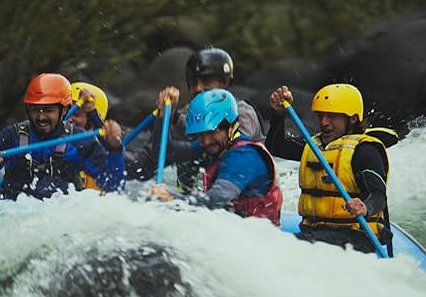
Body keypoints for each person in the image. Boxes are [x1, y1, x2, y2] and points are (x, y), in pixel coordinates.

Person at [266, 83, 398, 255]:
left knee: (289, 248)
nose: (324, 123)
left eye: (332, 116)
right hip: (316, 232)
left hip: (356, 238)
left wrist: (365, 207)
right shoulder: (315, 145)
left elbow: (379, 195)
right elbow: (276, 146)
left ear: (352, 119)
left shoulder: (365, 151)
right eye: (321, 116)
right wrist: (278, 114)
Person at [125, 48, 264, 195]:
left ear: (225, 82)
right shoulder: (181, 115)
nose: (198, 88)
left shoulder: (242, 113)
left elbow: (231, 147)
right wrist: (109, 148)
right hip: (194, 205)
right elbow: (142, 166)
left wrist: (176, 118)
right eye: (193, 82)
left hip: (236, 199)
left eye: (205, 81)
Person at [0, 73, 125, 201]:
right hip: (10, 213)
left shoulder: (79, 141)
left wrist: (116, 149)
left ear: (64, 110)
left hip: (56, 219)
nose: (41, 117)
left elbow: (111, 184)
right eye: (35, 110)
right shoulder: (12, 136)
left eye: (48, 110)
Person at [149, 89, 282, 224]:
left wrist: (173, 201)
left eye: (212, 132)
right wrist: (162, 116)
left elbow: (219, 197)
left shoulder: (245, 156)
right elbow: (163, 153)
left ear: (231, 126)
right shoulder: (216, 147)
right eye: (201, 134)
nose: (206, 141)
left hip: (257, 237)